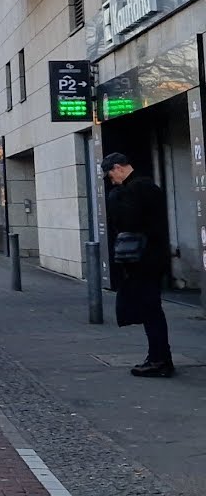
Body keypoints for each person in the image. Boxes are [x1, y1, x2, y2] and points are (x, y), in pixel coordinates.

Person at [102, 152, 173, 377]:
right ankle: (159, 357)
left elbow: (126, 222)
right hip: (152, 256)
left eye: (110, 176)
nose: (112, 181)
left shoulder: (134, 190)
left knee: (151, 310)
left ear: (118, 168)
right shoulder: (148, 186)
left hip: (143, 259)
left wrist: (114, 197)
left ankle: (159, 360)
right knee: (151, 309)